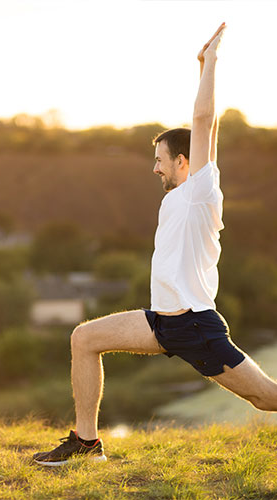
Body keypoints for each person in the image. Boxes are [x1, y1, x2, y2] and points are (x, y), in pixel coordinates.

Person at [34, 22, 277, 467]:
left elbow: (205, 122)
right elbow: (211, 131)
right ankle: (87, 443)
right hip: (161, 324)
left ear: (183, 162)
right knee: (84, 338)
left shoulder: (202, 190)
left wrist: (210, 64)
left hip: (195, 327)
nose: (154, 169)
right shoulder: (181, 195)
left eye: (159, 160)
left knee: (267, 399)